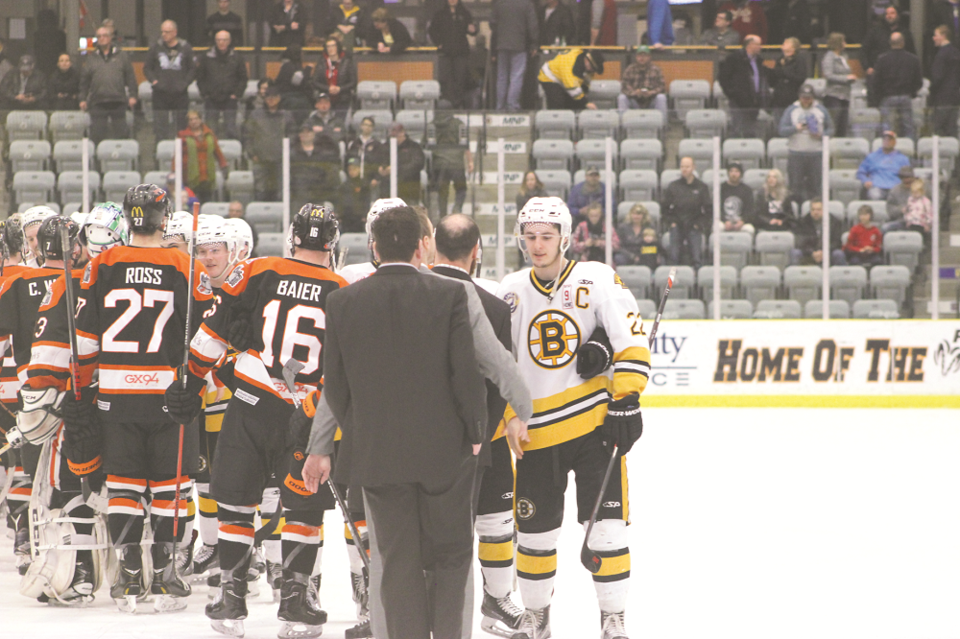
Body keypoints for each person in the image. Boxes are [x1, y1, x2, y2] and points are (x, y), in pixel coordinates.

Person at [35, 186, 213, 613]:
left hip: (115, 394)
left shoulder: (103, 264)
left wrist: (80, 389)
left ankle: (130, 574)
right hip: (170, 395)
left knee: (125, 485)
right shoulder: (184, 265)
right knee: (170, 488)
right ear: (163, 218)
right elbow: (209, 332)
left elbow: (87, 338)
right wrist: (198, 380)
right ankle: (167, 573)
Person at [317, 205, 487, 639]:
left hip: (377, 455)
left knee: (396, 561)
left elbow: (334, 386)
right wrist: (474, 432)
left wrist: (360, 430)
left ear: (374, 247)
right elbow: (465, 374)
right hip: (444, 453)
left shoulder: (341, 301)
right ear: (419, 246)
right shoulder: (449, 294)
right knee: (450, 556)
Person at [175, 204, 343, 639]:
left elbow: (214, 333)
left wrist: (189, 384)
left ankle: (231, 597)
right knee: (302, 507)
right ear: (331, 243)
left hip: (251, 402)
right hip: (306, 414)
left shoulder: (258, 270)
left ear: (293, 238)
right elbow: (346, 369)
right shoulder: (343, 289)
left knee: (235, 499)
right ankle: (295, 601)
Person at [496, 196, 648, 639]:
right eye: (530, 237)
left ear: (565, 237)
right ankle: (536, 615)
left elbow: (631, 340)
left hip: (593, 429)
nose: (538, 245)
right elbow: (501, 362)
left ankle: (612, 618)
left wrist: (627, 397)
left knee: (606, 529)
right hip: (535, 432)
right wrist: (509, 415)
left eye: (546, 236)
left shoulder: (595, 278)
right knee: (535, 534)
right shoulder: (510, 290)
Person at [79, 24, 137, 143]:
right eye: (99, 36)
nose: (102, 38)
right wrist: (82, 99)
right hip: (97, 102)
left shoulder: (122, 56)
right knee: (97, 136)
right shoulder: (91, 58)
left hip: (118, 102)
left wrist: (133, 95)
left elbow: (130, 78)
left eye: (105, 35)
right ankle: (96, 161)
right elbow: (84, 81)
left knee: (122, 135)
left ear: (110, 38)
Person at [778, 83, 833, 205]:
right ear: (799, 97)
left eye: (809, 98)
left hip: (816, 154)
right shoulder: (791, 110)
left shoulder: (821, 110)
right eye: (804, 98)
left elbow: (831, 130)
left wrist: (821, 135)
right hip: (796, 154)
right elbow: (782, 130)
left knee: (816, 187)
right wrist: (795, 128)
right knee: (795, 187)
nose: (806, 101)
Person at [144, 20, 195, 141]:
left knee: (182, 127)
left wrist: (185, 83)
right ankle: (159, 153)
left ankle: (182, 154)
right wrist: (154, 81)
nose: (163, 34)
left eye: (167, 32)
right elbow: (147, 68)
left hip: (180, 93)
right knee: (160, 128)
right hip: (160, 94)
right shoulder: (155, 47)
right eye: (162, 32)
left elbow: (192, 69)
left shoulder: (185, 47)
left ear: (175, 32)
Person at [244, 84, 295, 201]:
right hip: (260, 160)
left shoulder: (286, 115)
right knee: (260, 190)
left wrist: (287, 153)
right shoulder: (255, 115)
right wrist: (252, 154)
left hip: (280, 160)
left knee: (280, 191)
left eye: (274, 97)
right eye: (268, 97)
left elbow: (293, 135)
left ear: (279, 98)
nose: (271, 100)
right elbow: (247, 135)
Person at [197, 30, 248, 140]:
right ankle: (210, 154)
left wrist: (236, 94)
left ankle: (232, 155)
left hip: (230, 98)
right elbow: (200, 78)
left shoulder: (237, 57)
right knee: (210, 130)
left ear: (229, 41)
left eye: (224, 40)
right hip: (211, 98)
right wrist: (205, 94)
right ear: (215, 41)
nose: (221, 42)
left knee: (231, 129)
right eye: (219, 40)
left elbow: (243, 78)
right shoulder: (206, 57)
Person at [662, 156, 711, 269]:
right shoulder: (673, 186)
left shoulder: (702, 187)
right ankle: (672, 281)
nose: (684, 169)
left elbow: (708, 210)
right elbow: (664, 208)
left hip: (694, 225)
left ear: (693, 167)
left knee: (696, 258)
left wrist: (699, 224)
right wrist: (671, 222)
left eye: (687, 166)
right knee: (674, 257)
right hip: (677, 225)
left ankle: (697, 282)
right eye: (682, 166)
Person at [491, 0, 539, 111]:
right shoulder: (527, 4)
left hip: (502, 44)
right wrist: (534, 44)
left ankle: (500, 106)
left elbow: (492, 23)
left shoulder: (499, 3)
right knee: (516, 76)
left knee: (502, 77)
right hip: (519, 44)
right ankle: (512, 105)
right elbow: (533, 26)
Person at [873, 32, 923, 140]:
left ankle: (886, 150)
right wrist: (912, 93)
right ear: (903, 43)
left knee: (887, 126)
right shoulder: (913, 59)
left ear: (890, 43)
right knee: (908, 126)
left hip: (887, 97)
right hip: (906, 96)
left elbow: (876, 81)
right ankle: (910, 151)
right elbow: (918, 81)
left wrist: (879, 96)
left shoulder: (882, 59)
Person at [430, 0, 477, 108]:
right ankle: (448, 103)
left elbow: (472, 30)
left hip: (461, 52)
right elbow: (432, 30)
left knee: (460, 78)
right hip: (445, 53)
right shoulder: (440, 14)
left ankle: (458, 104)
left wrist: (473, 30)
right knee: (446, 79)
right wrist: (439, 43)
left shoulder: (464, 13)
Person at [719, 35, 767, 138]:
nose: (761, 47)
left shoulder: (758, 61)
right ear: (750, 45)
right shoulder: (734, 59)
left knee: (750, 131)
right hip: (738, 102)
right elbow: (723, 78)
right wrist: (733, 94)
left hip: (754, 102)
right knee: (737, 130)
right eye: (758, 45)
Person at [176, 110, 228, 204]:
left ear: (200, 120)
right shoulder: (182, 135)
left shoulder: (209, 134)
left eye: (196, 119)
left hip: (207, 175)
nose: (193, 121)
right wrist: (175, 171)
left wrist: (223, 164)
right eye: (191, 119)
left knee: (207, 202)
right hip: (190, 176)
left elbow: (217, 151)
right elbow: (177, 156)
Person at [290, 124, 340, 214]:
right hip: (299, 194)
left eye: (308, 132)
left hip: (318, 194)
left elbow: (329, 175)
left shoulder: (322, 154)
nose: (305, 135)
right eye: (303, 132)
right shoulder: (293, 154)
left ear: (313, 134)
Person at [433, 105, 473, 216]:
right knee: (461, 189)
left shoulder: (432, 124)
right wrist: (470, 161)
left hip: (439, 163)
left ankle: (442, 216)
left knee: (442, 193)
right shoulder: (458, 123)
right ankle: (457, 209)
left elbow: (425, 144)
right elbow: (465, 144)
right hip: (457, 163)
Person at [538, 47, 603, 111]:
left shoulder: (587, 65)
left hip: (563, 77)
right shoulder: (571, 67)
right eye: (592, 68)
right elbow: (572, 88)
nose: (592, 71)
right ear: (587, 61)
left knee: (574, 103)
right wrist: (586, 103)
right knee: (558, 102)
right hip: (549, 76)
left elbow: (585, 83)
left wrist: (584, 95)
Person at [856, 130, 912, 200]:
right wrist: (866, 180)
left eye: (890, 139)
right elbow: (860, 172)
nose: (887, 141)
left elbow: (908, 175)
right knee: (874, 195)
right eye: (885, 139)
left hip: (896, 188)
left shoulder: (902, 158)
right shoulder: (872, 157)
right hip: (877, 186)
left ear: (895, 142)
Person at [821, 32, 857, 137]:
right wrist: (846, 78)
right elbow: (828, 75)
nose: (845, 43)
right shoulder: (829, 57)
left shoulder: (844, 56)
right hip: (834, 95)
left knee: (843, 125)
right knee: (834, 124)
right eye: (843, 41)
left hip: (845, 95)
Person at [790, 197, 846, 266]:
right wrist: (812, 253)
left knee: (838, 254)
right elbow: (800, 242)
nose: (815, 212)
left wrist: (824, 252)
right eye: (813, 210)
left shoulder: (834, 222)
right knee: (795, 253)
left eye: (819, 210)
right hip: (809, 254)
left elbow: (837, 242)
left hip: (828, 253)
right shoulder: (803, 222)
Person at [617, 45, 667, 119]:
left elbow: (661, 87)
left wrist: (651, 93)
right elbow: (624, 87)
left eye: (645, 55)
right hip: (634, 101)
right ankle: (622, 126)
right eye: (640, 55)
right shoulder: (630, 69)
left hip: (651, 101)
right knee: (622, 98)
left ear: (649, 57)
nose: (642, 58)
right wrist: (635, 92)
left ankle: (663, 126)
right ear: (636, 57)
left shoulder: (656, 69)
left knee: (661, 97)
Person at [381, 123, 425, 204]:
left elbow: (418, 164)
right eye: (392, 136)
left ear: (402, 132)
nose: (394, 138)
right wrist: (381, 169)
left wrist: (396, 169)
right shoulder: (385, 146)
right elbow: (379, 161)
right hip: (388, 190)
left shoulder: (413, 147)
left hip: (408, 189)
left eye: (396, 135)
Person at [863, 6, 916, 74]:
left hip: (900, 74)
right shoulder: (875, 32)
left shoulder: (905, 33)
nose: (889, 16)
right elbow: (864, 51)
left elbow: (912, 54)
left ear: (898, 15)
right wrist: (867, 67)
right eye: (887, 14)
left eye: (892, 13)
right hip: (878, 73)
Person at [930, 25, 960, 137]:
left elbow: (937, 76)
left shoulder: (941, 55)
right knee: (952, 129)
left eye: (935, 35)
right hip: (955, 97)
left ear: (943, 36)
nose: (933, 38)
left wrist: (932, 93)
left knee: (938, 128)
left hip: (942, 97)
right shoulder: (957, 53)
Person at [312, 37, 356, 114]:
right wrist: (328, 88)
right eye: (328, 46)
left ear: (337, 47)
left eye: (333, 46)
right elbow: (315, 81)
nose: (330, 48)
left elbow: (353, 82)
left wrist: (340, 88)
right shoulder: (322, 62)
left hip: (343, 97)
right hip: (325, 98)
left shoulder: (347, 62)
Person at [769, 37, 808, 118]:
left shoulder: (799, 60)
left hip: (793, 95)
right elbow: (774, 77)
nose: (782, 46)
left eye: (785, 44)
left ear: (793, 47)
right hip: (779, 97)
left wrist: (784, 70)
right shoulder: (780, 60)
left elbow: (800, 78)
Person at [275, 44, 314, 123]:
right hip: (290, 98)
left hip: (291, 96)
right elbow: (297, 81)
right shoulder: (288, 66)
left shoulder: (288, 65)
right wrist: (308, 70)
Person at [346, 116, 386, 190]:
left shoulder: (377, 145)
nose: (367, 127)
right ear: (361, 126)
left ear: (372, 128)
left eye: (370, 125)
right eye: (365, 125)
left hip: (370, 181)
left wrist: (376, 178)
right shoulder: (354, 143)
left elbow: (380, 162)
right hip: (355, 181)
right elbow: (348, 160)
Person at [720, 162, 756, 235]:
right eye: (731, 171)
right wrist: (725, 221)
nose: (734, 174)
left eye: (736, 171)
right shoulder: (721, 188)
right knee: (718, 227)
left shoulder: (747, 190)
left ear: (741, 174)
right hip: (724, 221)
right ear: (728, 173)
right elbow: (716, 208)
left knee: (749, 229)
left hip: (741, 222)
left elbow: (750, 210)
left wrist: (742, 221)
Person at [337, 158, 370, 232]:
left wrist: (365, 214)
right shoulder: (344, 185)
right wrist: (340, 215)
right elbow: (340, 201)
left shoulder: (364, 184)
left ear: (359, 169)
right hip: (346, 217)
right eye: (350, 169)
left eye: (354, 169)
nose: (352, 172)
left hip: (359, 218)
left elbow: (366, 200)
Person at [32, 9, 67, 77]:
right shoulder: (60, 35)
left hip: (41, 66)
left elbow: (35, 51)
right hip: (56, 67)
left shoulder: (37, 35)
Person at [883, 165, 916, 232]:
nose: (906, 179)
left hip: (919, 221)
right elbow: (890, 209)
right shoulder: (895, 190)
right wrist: (901, 209)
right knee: (885, 228)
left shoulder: (921, 188)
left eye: (908, 177)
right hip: (901, 221)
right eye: (903, 177)